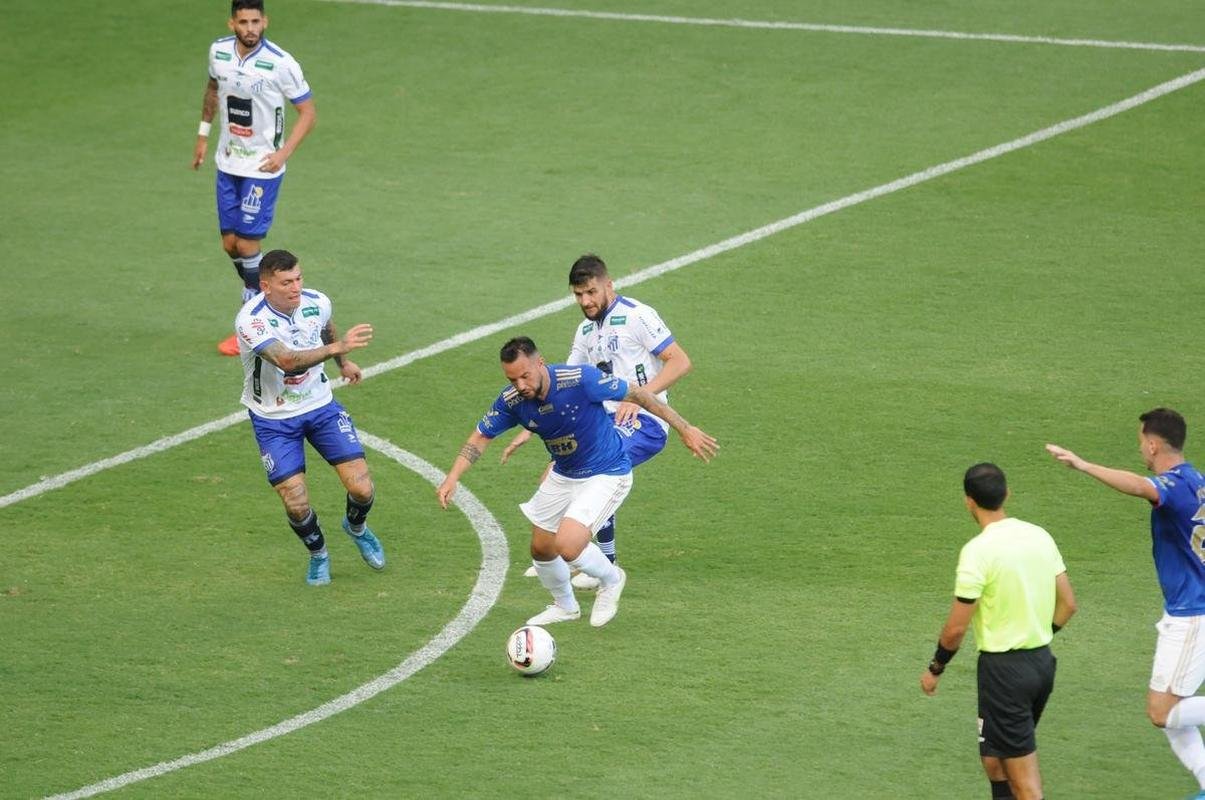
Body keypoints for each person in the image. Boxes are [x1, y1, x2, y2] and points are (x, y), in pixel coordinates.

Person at [437, 336, 717, 627]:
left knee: (568, 545)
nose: (520, 385)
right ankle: (565, 606)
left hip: (606, 471)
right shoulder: (513, 400)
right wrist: (453, 476)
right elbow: (481, 436)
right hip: (564, 473)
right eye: (513, 379)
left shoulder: (580, 380)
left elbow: (638, 394)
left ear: (540, 363)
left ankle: (611, 578)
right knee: (541, 548)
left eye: (525, 375)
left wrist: (685, 429)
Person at [504, 254, 693, 589]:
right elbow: (560, 384)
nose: (586, 301)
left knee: (597, 471)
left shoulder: (638, 316)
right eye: (579, 295)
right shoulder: (586, 331)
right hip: (601, 419)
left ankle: (590, 561)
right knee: (556, 472)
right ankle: (586, 558)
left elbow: (679, 362)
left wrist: (638, 398)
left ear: (609, 285)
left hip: (645, 421)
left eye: (591, 292)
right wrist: (527, 431)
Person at [1048, 408, 1205, 798]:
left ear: (1153, 444)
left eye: (1140, 442)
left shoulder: (1171, 485)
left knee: (1161, 712)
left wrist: (1084, 465)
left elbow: (1141, 487)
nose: (1140, 449)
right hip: (1188, 609)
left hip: (1192, 614)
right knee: (1173, 715)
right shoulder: (1199, 481)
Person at [920, 463, 1077, 800]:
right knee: (994, 759)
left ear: (968, 502)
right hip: (1041, 664)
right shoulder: (1039, 535)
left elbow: (955, 628)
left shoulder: (977, 552)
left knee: (1026, 786)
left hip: (1005, 674)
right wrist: (1036, 633)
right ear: (1007, 493)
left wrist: (936, 668)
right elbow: (1068, 604)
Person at [235, 249, 384, 585]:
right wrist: (338, 349)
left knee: (361, 488)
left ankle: (356, 527)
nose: (296, 287)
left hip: (321, 407)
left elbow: (324, 325)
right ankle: (319, 555)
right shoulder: (251, 321)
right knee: (296, 501)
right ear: (266, 286)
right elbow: (286, 360)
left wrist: (342, 364)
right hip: (274, 420)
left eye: (298, 278)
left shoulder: (316, 301)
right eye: (286, 282)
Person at [193, 0, 317, 356]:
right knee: (230, 245)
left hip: (263, 168)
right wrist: (202, 135)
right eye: (243, 21)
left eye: (255, 21)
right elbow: (213, 89)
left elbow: (307, 112)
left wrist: (283, 153)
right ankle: (264, 295)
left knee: (247, 245)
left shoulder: (281, 63)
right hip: (227, 161)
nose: (250, 28)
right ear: (232, 23)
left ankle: (250, 321)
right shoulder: (218, 52)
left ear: (265, 22)